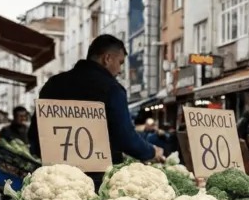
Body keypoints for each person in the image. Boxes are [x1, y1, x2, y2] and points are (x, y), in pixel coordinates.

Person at [29, 35, 163, 176]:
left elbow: (35, 133)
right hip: (97, 179)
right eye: (120, 63)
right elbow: (126, 138)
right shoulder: (112, 89)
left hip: (54, 175)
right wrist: (152, 151)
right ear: (107, 59)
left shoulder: (53, 84)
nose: (120, 70)